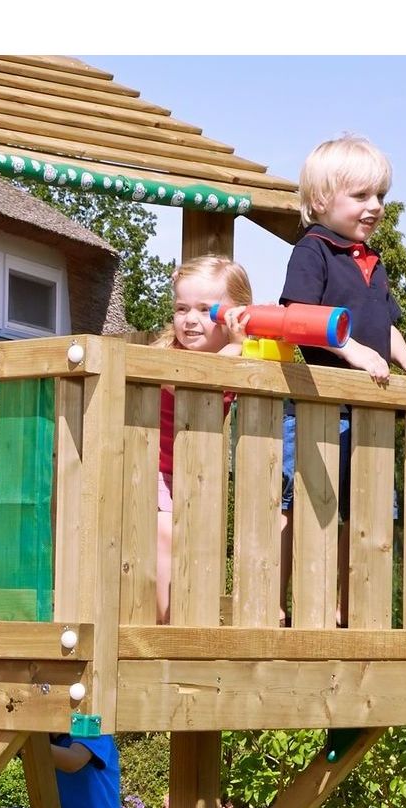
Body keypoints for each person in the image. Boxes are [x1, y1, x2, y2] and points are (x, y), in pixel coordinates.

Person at [278, 134, 406, 625]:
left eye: (381, 197)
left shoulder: (372, 261)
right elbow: (299, 313)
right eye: (361, 196)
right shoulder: (314, 251)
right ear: (321, 200)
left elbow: (384, 324)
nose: (375, 207)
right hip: (316, 405)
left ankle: (345, 608)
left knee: (363, 507)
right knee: (298, 499)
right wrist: (349, 350)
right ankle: (277, 601)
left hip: (364, 410)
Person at [150, 255, 251, 623]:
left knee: (195, 546)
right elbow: (189, 382)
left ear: (232, 316)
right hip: (151, 470)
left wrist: (244, 346)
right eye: (181, 308)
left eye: (205, 309)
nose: (190, 320)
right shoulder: (166, 356)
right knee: (167, 535)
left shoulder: (240, 356)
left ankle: (188, 620)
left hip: (192, 473)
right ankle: (164, 625)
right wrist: (234, 350)